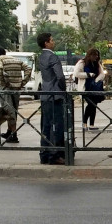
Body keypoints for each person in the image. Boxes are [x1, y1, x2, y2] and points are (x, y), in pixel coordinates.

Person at [37, 33, 67, 165]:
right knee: (56, 125)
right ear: (46, 43)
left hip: (45, 94)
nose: (53, 42)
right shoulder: (52, 56)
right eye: (52, 40)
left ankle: (44, 153)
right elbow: (60, 76)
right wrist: (63, 89)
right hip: (55, 94)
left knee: (46, 125)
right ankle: (55, 154)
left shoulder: (41, 56)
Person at [0, 46, 32, 143]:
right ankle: (9, 131)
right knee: (14, 109)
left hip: (6, 88)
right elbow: (28, 68)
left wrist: (3, 82)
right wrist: (23, 82)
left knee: (8, 110)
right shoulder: (15, 59)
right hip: (17, 87)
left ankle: (13, 135)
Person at [73, 48, 107, 131]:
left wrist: (96, 80)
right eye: (94, 55)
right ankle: (84, 123)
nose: (96, 57)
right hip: (86, 87)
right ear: (89, 55)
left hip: (95, 87)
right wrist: (88, 75)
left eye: (97, 55)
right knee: (91, 104)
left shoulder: (96, 63)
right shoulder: (82, 63)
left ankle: (91, 124)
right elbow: (76, 73)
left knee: (94, 104)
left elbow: (102, 73)